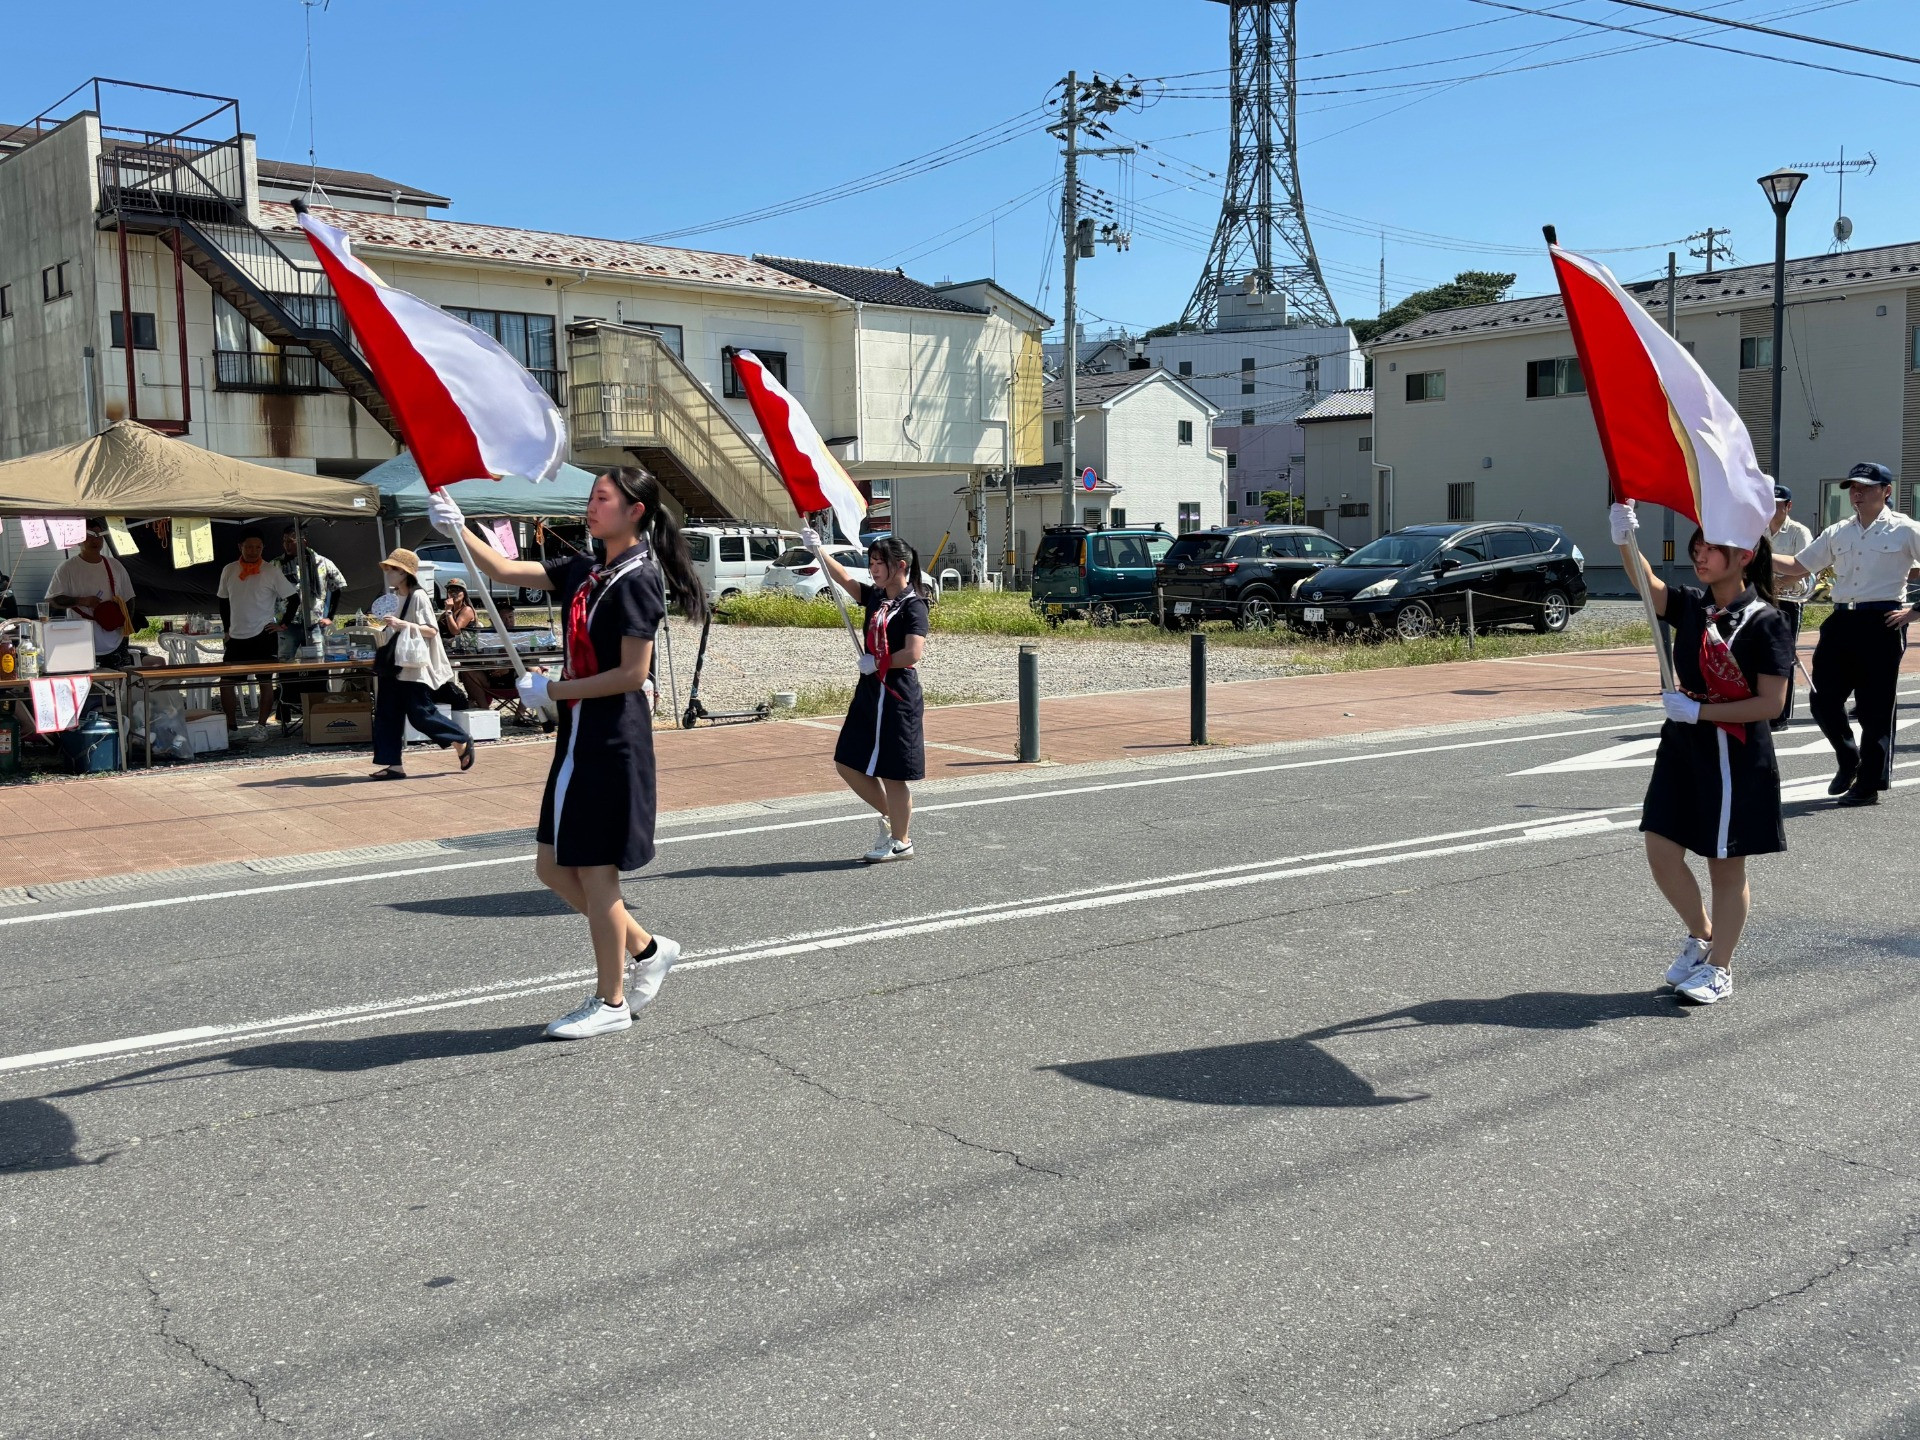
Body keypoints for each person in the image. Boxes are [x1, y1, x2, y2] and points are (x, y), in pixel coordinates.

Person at [429, 467, 704, 1041]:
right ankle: (649, 950)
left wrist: (551, 690)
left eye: (602, 498)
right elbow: (504, 568)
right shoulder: (588, 567)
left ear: (635, 510)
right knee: (552, 867)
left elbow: (633, 675)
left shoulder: (638, 579)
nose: (591, 507)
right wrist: (459, 529)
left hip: (611, 739)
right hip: (577, 736)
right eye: (591, 498)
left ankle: (611, 1000)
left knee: (596, 872)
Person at [1612, 501, 1792, 1006]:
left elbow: (1770, 704)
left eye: (1712, 547)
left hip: (1733, 754)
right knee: (1661, 845)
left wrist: (1700, 713)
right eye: (1698, 546)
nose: (1701, 553)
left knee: (1724, 863)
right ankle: (1702, 933)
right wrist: (1625, 537)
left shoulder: (1766, 621)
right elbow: (1648, 585)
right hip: (1683, 747)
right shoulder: (1693, 605)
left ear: (1744, 555)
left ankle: (1720, 968)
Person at [1772, 461, 1920, 807]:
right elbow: (1798, 566)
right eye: (1853, 488)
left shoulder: (1905, 530)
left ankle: (1867, 784)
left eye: (1866, 487)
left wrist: (1915, 611)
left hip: (1882, 622)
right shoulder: (1839, 531)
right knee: (1822, 699)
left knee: (1874, 709)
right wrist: (1755, 553)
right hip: (1841, 622)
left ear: (1887, 491)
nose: (1858, 493)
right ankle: (1847, 756)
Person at [803, 528, 929, 864]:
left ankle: (901, 841)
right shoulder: (876, 596)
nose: (873, 568)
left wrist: (879, 661)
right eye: (871, 562)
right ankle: (895, 816)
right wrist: (817, 550)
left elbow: (913, 653)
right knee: (847, 760)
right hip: (870, 690)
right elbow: (842, 577)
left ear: (900, 566)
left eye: (880, 563)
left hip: (897, 693)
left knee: (892, 771)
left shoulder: (914, 606)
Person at [366, 548, 474, 780]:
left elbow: (431, 630)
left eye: (392, 569)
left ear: (405, 573)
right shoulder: (395, 596)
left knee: (420, 714)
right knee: (386, 714)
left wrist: (401, 624)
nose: (388, 573)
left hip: (412, 666)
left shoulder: (418, 596)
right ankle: (393, 765)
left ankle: (460, 738)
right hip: (394, 665)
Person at [215, 531, 299, 737]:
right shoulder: (229, 569)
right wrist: (226, 629)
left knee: (265, 681)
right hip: (236, 635)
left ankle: (261, 726)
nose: (253, 551)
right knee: (226, 681)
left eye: (258, 547)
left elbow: (294, 598)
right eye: (249, 547)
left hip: (263, 634)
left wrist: (283, 624)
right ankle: (231, 725)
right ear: (240, 547)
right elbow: (223, 601)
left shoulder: (271, 570)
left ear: (263, 549)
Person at [45, 525, 136, 671]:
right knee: (87, 687)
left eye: (99, 535)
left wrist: (126, 626)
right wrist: (82, 601)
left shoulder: (115, 565)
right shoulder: (67, 568)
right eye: (90, 535)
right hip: (80, 640)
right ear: (78, 539)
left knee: (118, 685)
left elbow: (129, 598)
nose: (95, 540)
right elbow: (52, 600)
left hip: (115, 639)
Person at [1766, 482, 1814, 733]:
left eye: (1777, 505)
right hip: (1764, 598)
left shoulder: (1799, 531)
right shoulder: (1758, 531)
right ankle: (1763, 709)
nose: (1772, 510)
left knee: (1784, 656)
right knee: (1761, 654)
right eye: (1769, 505)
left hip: (1790, 600)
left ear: (1788, 506)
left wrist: (1781, 583)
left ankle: (1781, 714)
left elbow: (1805, 566)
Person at [277, 525, 348, 661]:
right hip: (287, 625)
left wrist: (330, 617)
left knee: (316, 664)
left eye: (290, 541)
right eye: (284, 541)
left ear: (303, 541)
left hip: (314, 625)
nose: (286, 545)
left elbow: (337, 589)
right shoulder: (277, 564)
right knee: (285, 664)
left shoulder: (322, 562)